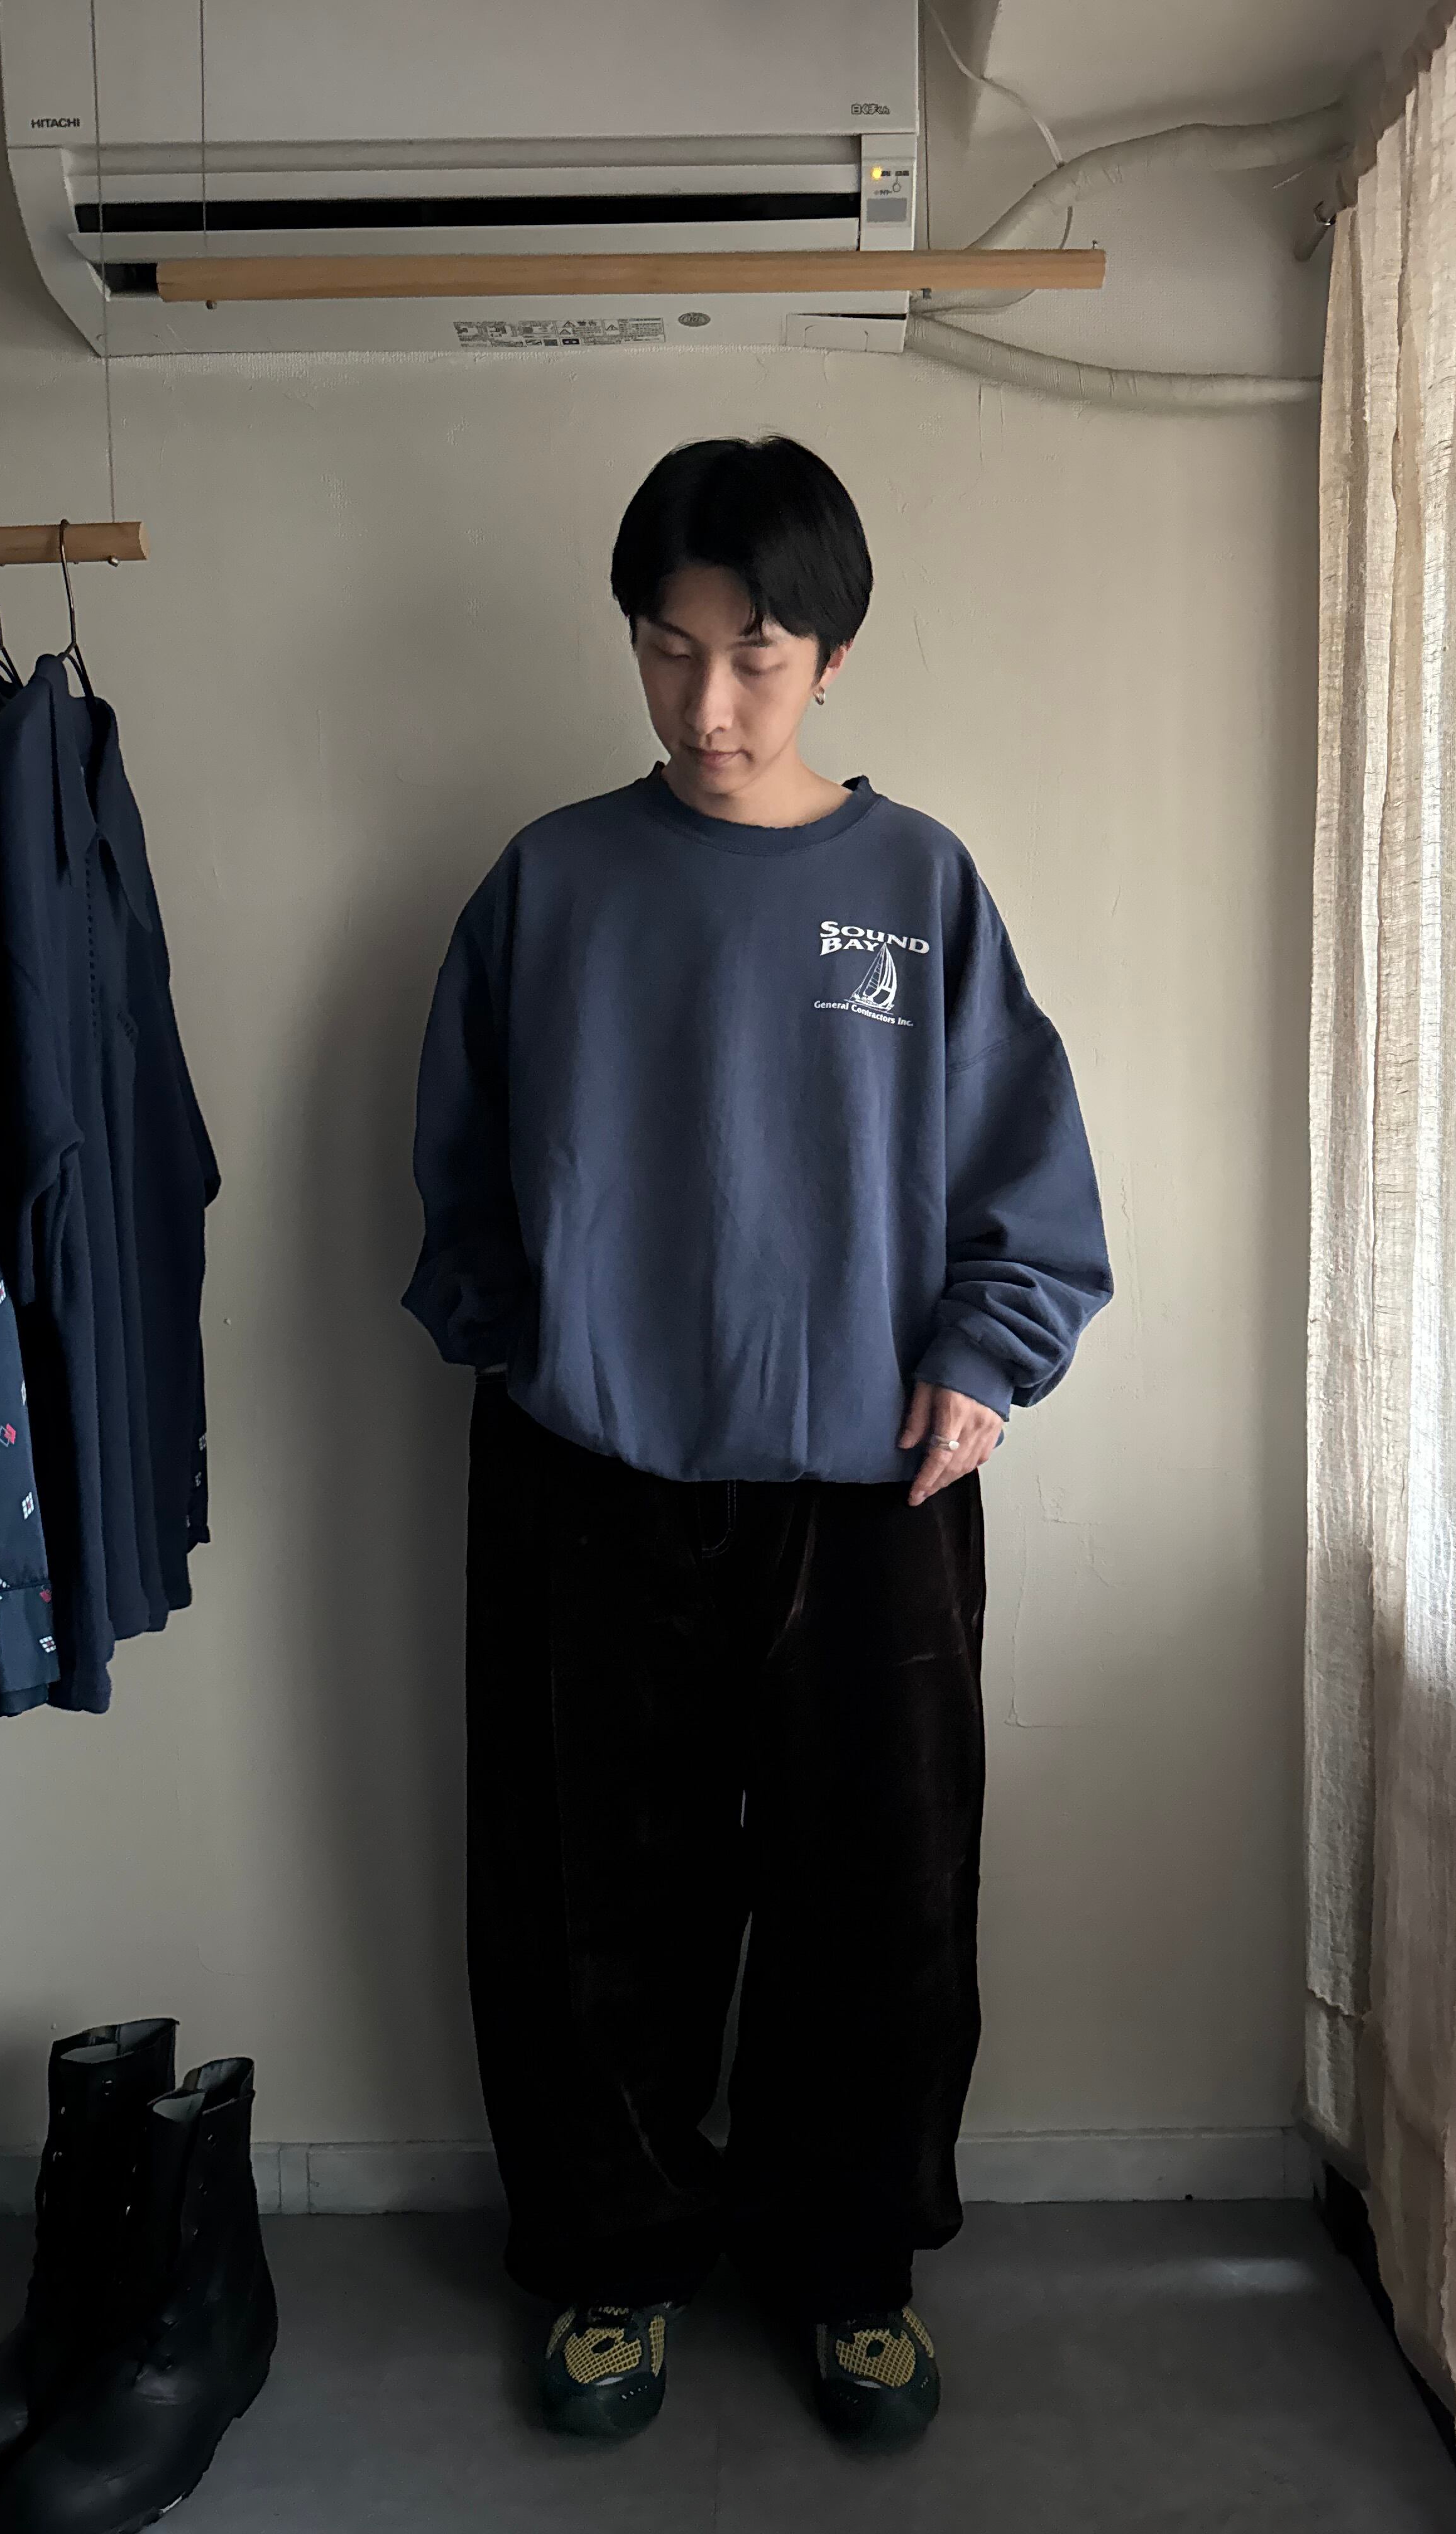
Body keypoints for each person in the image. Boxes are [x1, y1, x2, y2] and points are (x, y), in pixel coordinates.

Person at [404, 434, 1111, 2450]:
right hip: (591, 1483)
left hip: (869, 1496)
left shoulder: (919, 886)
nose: (707, 705)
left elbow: (1029, 1186)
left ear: (833, 656)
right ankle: (614, 2259)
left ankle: (848, 2268)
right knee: (584, 1903)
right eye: (666, 648)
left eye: (756, 657)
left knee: (876, 1903)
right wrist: (534, 1342)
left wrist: (985, 1360)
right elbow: (459, 1173)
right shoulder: (550, 883)